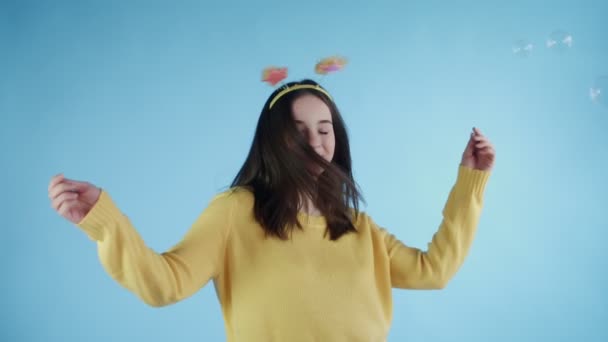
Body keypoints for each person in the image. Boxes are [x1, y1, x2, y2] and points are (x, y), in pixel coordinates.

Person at [48, 79, 495, 342]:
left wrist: (471, 180)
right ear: (274, 141)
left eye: (325, 129)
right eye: (298, 130)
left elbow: (433, 270)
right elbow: (164, 285)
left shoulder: (357, 227)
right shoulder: (235, 212)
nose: (316, 141)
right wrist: (104, 222)